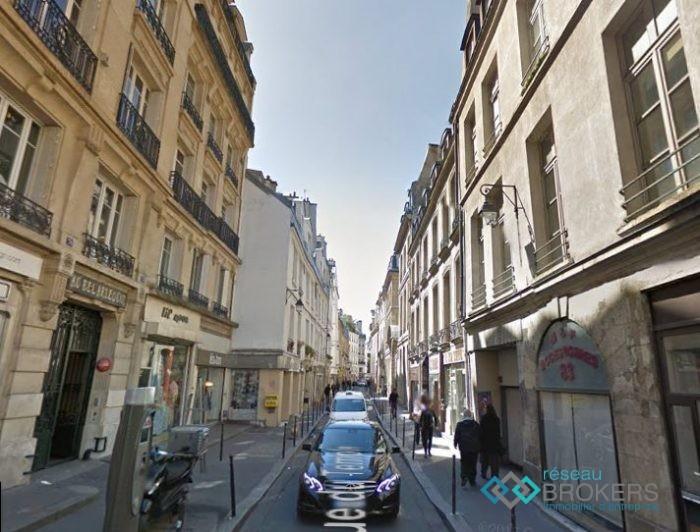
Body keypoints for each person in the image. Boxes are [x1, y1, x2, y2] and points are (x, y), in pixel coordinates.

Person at [454, 409, 481, 486]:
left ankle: (464, 476)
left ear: (464, 415)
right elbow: (480, 435)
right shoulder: (476, 424)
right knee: (473, 463)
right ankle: (472, 480)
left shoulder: (459, 424)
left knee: (464, 462)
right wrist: (480, 445)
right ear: (470, 415)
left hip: (464, 447)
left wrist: (455, 443)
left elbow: (457, 435)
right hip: (474, 447)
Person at [480, 404, 502, 479]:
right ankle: (494, 475)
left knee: (485, 460)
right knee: (494, 461)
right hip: (494, 443)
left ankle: (483, 473)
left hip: (485, 443)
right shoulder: (496, 419)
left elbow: (481, 431)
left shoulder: (483, 419)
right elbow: (498, 432)